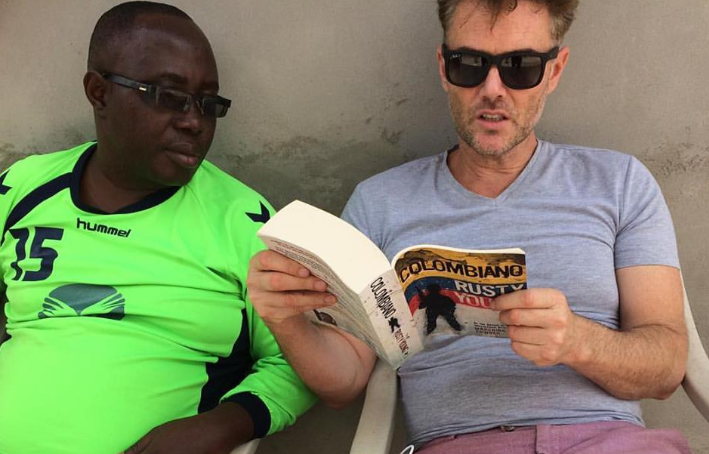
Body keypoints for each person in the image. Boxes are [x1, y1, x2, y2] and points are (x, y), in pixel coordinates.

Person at [247, 0, 691, 452]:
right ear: (444, 68)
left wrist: (578, 341)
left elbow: (667, 366)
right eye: (470, 64)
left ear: (555, 71)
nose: (493, 89)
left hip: (608, 440)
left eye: (520, 67)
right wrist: (286, 321)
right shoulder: (381, 201)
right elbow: (343, 384)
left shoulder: (619, 183)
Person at [0, 3, 315, 454]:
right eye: (168, 95)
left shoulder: (245, 221)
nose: (194, 121)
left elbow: (300, 360)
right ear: (99, 92)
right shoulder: (22, 187)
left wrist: (226, 424)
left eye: (209, 104)